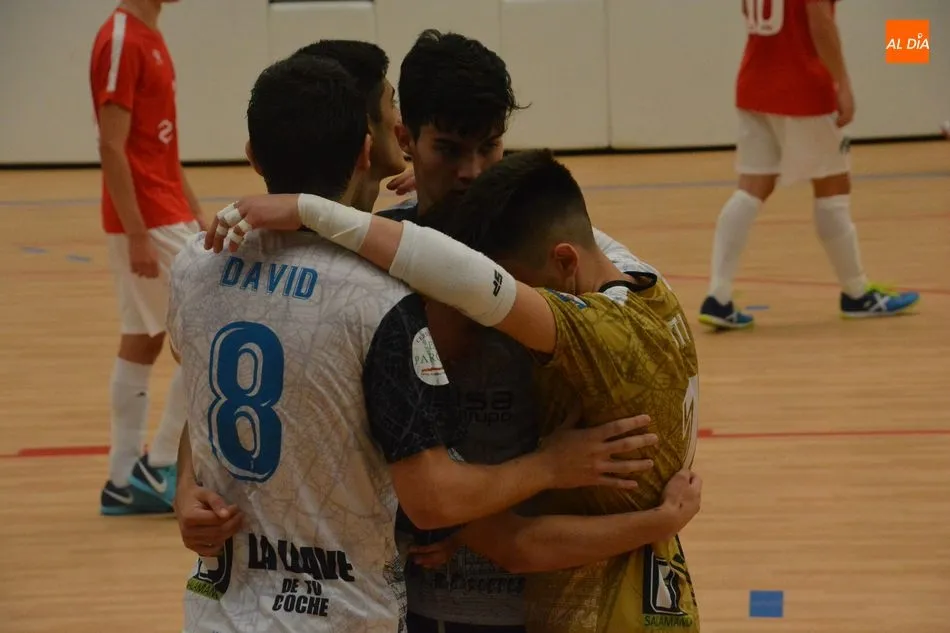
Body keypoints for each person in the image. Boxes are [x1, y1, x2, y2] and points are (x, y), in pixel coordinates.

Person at [179, 31, 699, 633]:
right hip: (411, 596)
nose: (471, 173)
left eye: (490, 148)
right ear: (403, 141)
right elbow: (226, 384)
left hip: (535, 590)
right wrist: (186, 488)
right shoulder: (362, 270)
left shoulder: (560, 264)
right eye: (450, 150)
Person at [698, 0, 920, 330]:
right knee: (833, 188)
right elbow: (821, 25)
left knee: (751, 187)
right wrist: (842, 82)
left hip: (754, 83)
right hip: (803, 88)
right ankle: (856, 293)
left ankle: (718, 296)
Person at [90, 0, 206, 515]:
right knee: (205, 336)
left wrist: (197, 213)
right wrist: (136, 232)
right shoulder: (121, 39)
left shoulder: (150, 33)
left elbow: (163, 148)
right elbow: (112, 146)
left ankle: (120, 481)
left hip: (166, 211)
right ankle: (158, 466)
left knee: (143, 337)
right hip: (148, 219)